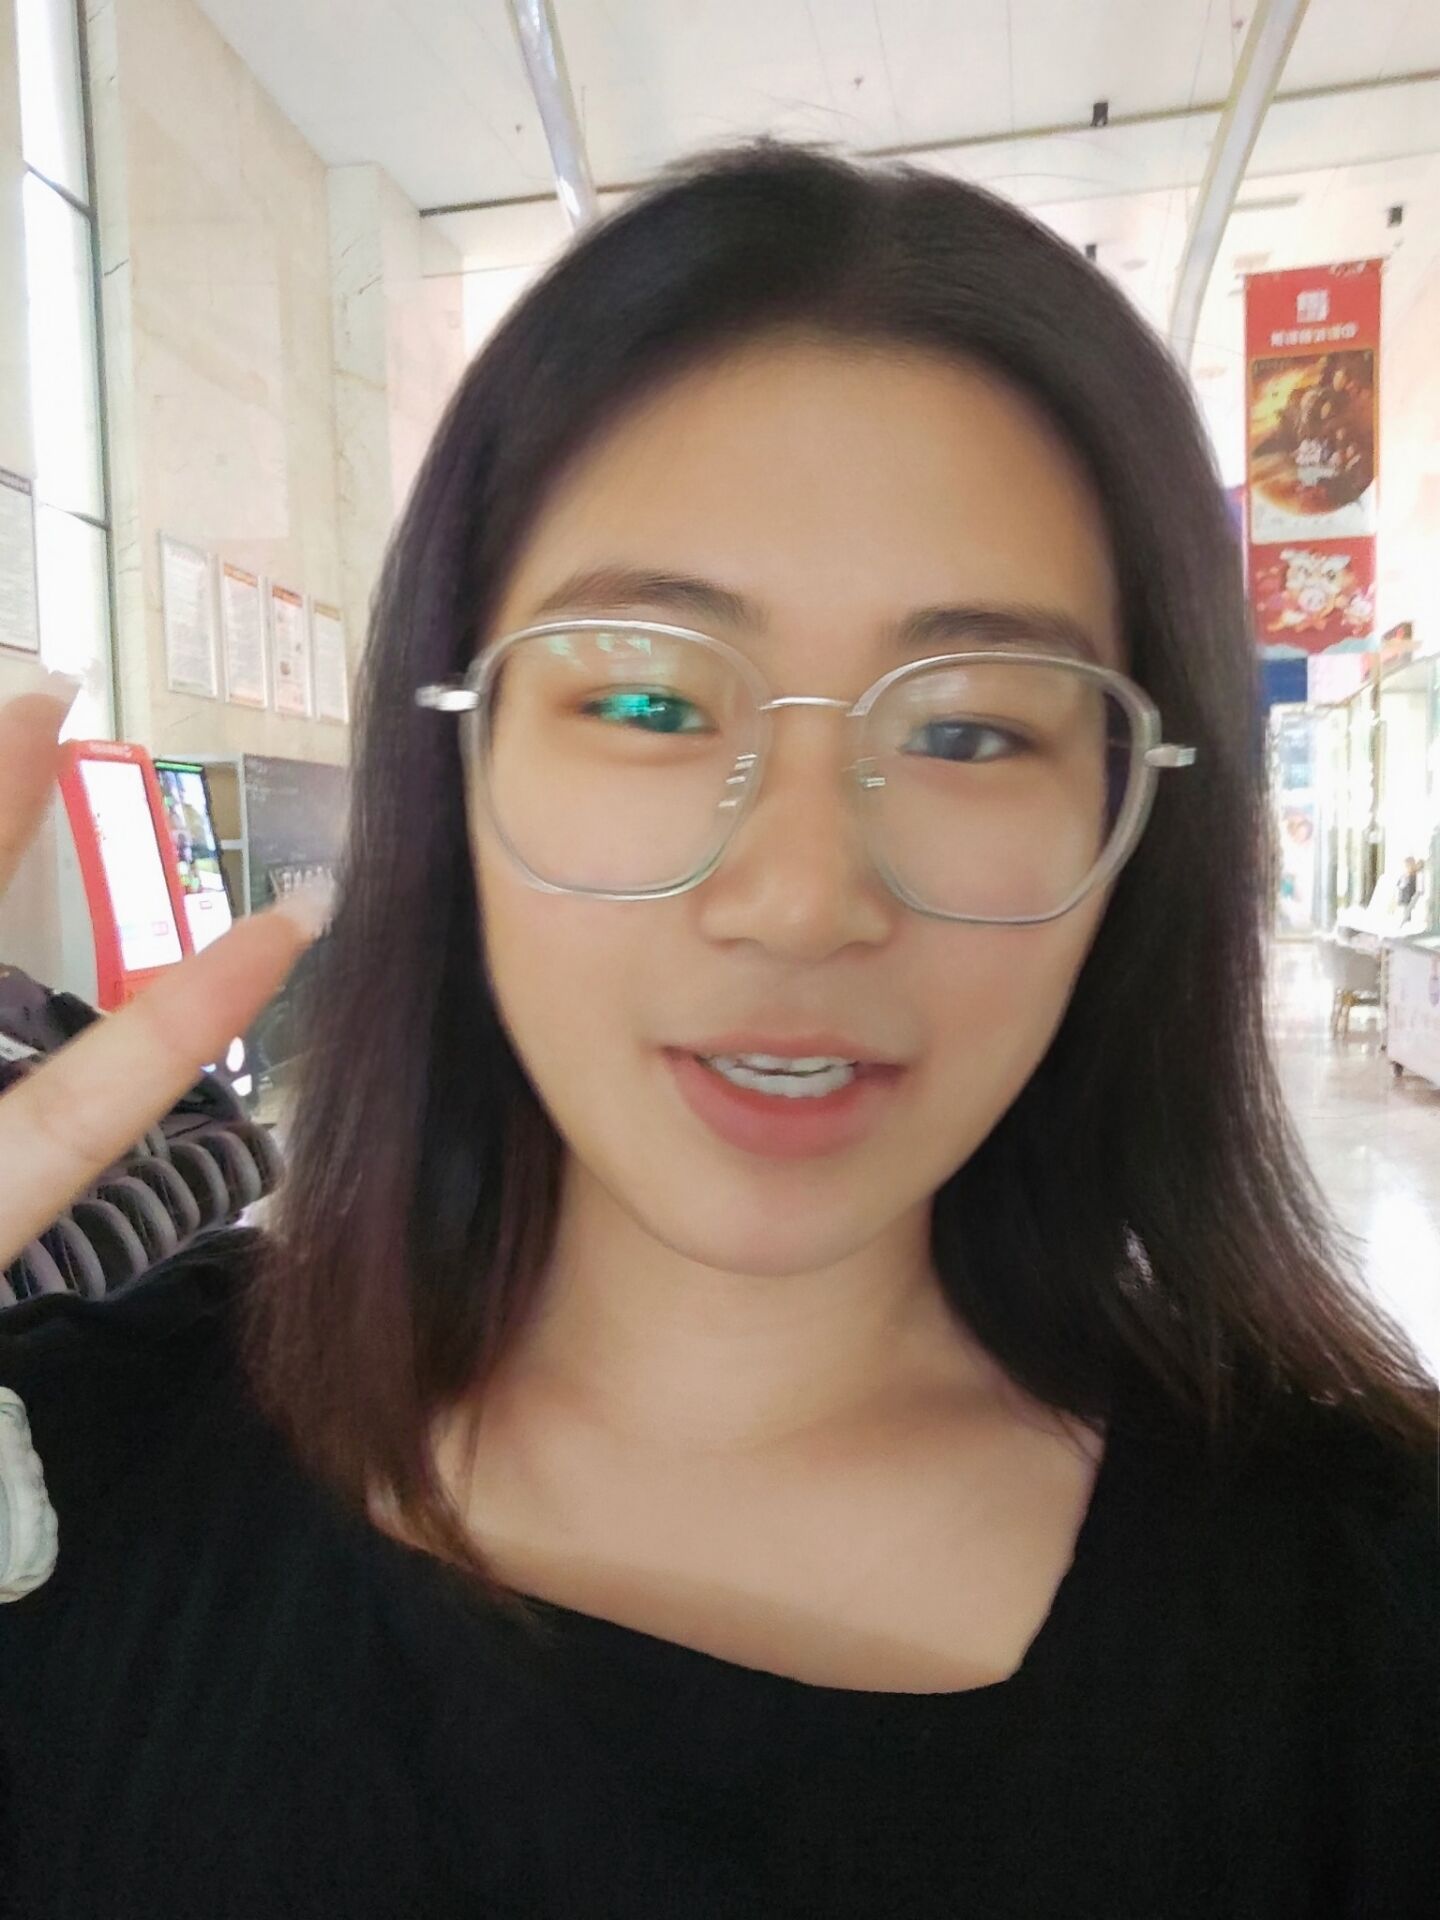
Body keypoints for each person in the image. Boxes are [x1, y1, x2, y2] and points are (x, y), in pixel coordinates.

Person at [0, 146, 1435, 1918]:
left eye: (972, 731)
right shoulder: (67, 1490)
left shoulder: (1368, 1627)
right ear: (455, 762)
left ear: (1140, 824)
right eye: (647, 698)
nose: (802, 897)